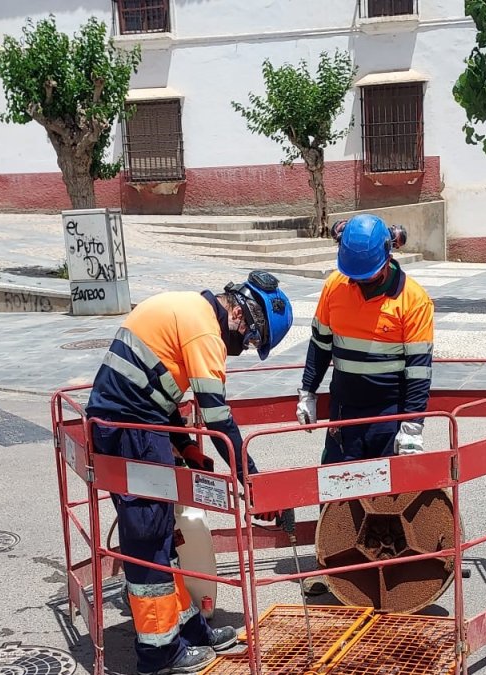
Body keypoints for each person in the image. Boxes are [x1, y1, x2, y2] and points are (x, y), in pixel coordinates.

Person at [85, 270, 293, 675]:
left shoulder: (190, 311)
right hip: (132, 433)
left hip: (135, 424)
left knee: (164, 535)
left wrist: (185, 447)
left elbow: (158, 393)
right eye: (251, 340)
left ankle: (189, 629)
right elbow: (218, 418)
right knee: (148, 542)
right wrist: (250, 479)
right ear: (241, 315)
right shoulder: (205, 333)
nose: (245, 348)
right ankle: (159, 654)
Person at [295, 213, 435, 594]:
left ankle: (388, 578)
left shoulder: (414, 301)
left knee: (388, 494)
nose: (359, 282)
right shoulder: (335, 287)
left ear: (388, 256)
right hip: (345, 409)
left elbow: (418, 371)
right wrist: (307, 390)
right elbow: (320, 345)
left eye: (366, 275)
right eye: (353, 275)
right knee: (335, 486)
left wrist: (412, 428)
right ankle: (330, 567)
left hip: (390, 412)